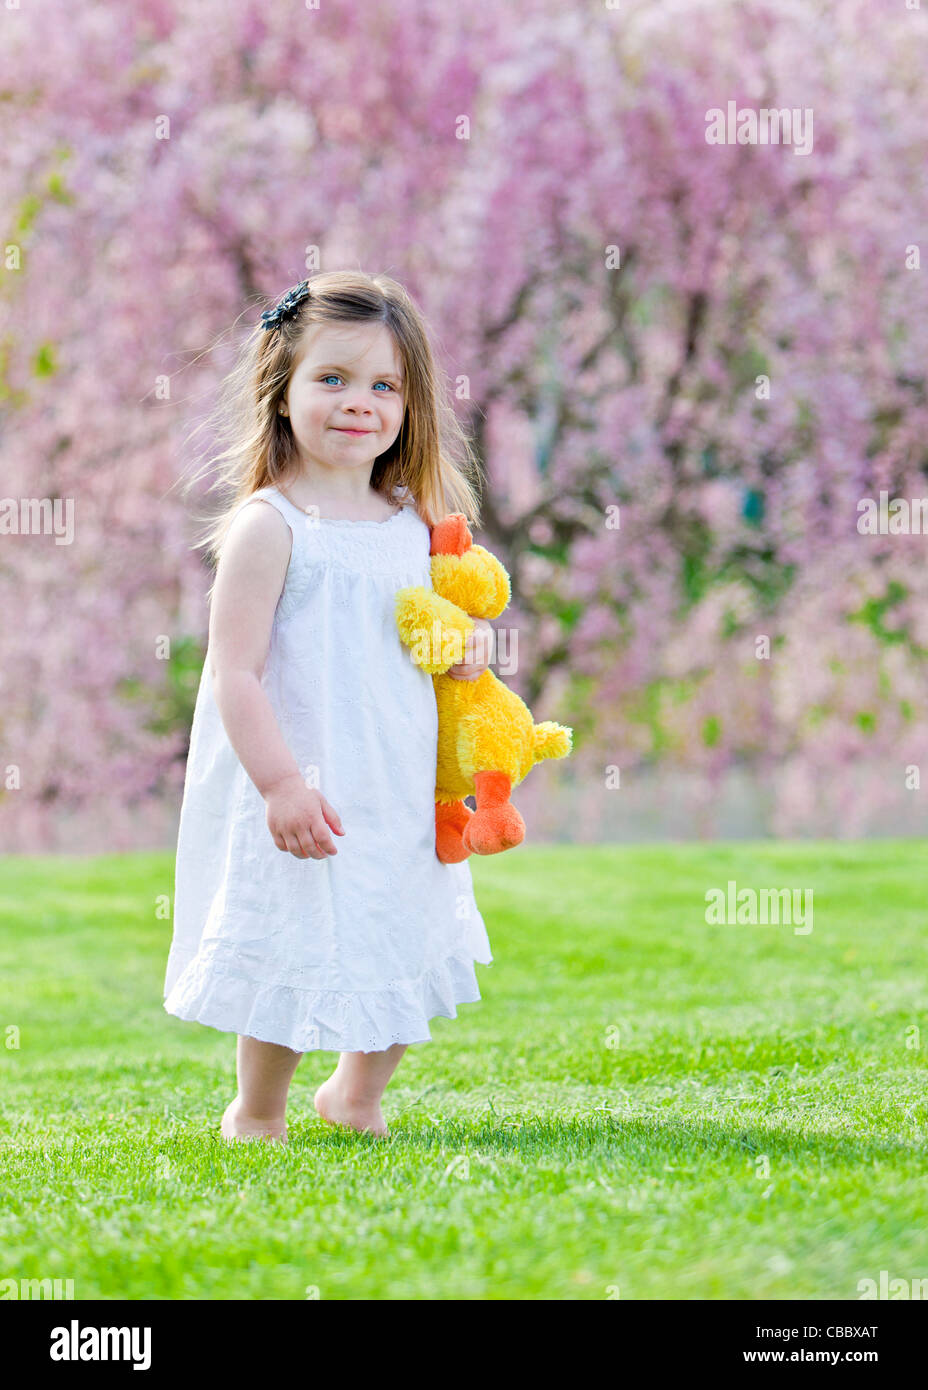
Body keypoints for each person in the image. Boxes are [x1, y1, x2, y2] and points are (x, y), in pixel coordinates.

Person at [163, 270, 495, 1143]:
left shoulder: (416, 521)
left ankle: (356, 1093)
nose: (361, 403)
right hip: (305, 774)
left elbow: (440, 637)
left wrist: (468, 654)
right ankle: (259, 1108)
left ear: (412, 403)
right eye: (333, 380)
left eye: (385, 385)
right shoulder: (271, 527)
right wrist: (279, 784)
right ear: (283, 391)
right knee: (290, 934)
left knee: (401, 924)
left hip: (396, 777)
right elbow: (235, 672)